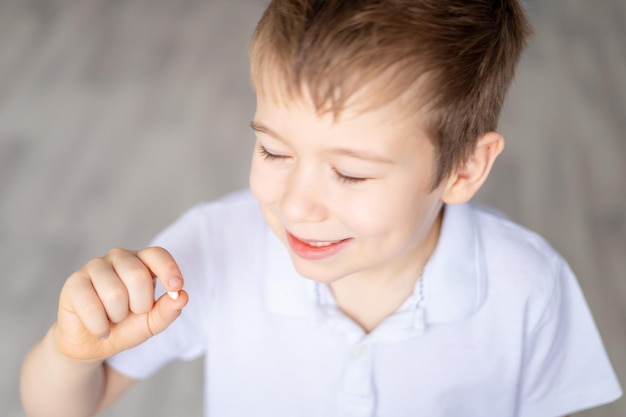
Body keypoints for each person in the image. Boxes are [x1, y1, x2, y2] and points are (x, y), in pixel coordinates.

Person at [20, 1, 622, 416]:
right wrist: (71, 351)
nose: (296, 204)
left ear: (463, 169)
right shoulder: (212, 246)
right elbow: (65, 405)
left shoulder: (528, 287)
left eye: (350, 172)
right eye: (273, 150)